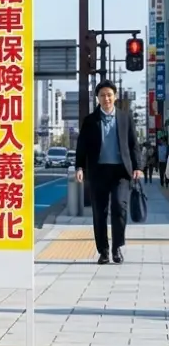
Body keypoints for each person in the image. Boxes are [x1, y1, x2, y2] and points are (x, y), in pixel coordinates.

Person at [74, 80, 142, 264]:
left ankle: (117, 247)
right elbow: (82, 147)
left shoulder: (125, 118)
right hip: (98, 172)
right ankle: (103, 251)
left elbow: (133, 145)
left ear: (115, 96)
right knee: (99, 212)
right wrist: (79, 167)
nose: (106, 98)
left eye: (109, 95)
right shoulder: (90, 121)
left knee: (120, 207)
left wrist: (138, 167)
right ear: (97, 98)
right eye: (102, 95)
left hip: (121, 172)